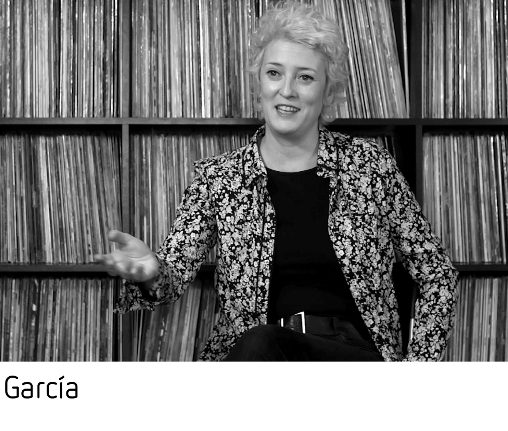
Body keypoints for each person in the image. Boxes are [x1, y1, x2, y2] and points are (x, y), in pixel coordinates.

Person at [94, 1, 459, 361]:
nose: (287, 90)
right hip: (257, 360)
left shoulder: (370, 166)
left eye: (305, 77)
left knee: (261, 344)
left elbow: (437, 273)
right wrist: (151, 272)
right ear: (259, 83)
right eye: (274, 73)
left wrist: (416, 373)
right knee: (260, 344)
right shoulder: (219, 179)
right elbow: (171, 280)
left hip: (352, 362)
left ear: (327, 91)